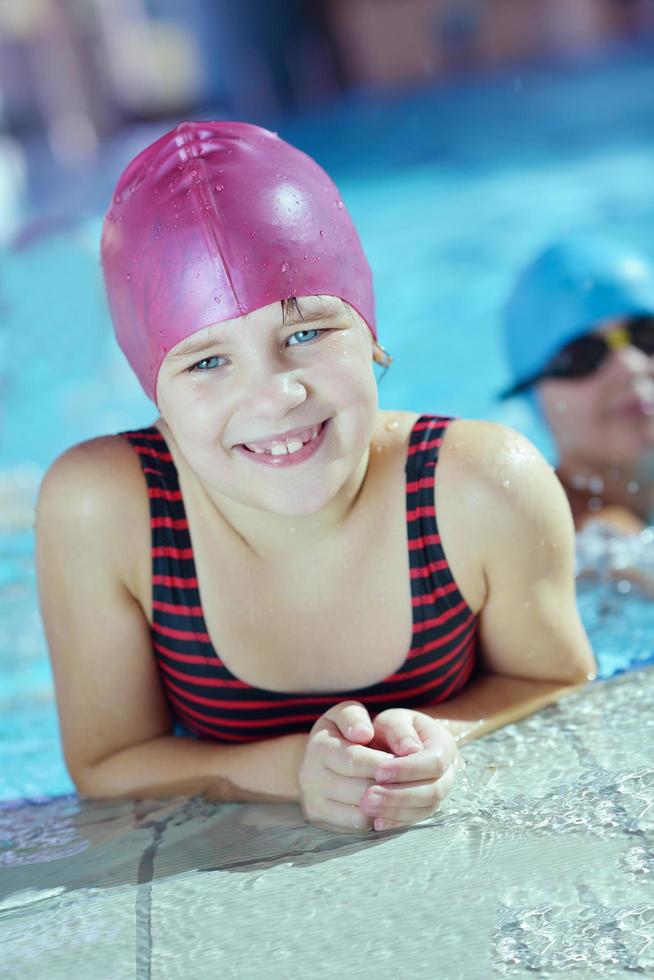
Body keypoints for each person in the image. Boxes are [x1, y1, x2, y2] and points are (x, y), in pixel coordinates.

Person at [35, 122, 595, 835]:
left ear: (372, 334)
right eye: (206, 362)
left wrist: (441, 737)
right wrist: (287, 771)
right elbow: (107, 763)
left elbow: (554, 679)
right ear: (156, 394)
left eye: (305, 333)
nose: (275, 396)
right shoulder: (105, 509)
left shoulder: (483, 485)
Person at [500, 237, 654, 533]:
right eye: (584, 355)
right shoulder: (569, 542)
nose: (630, 365)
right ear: (534, 396)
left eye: (645, 335)